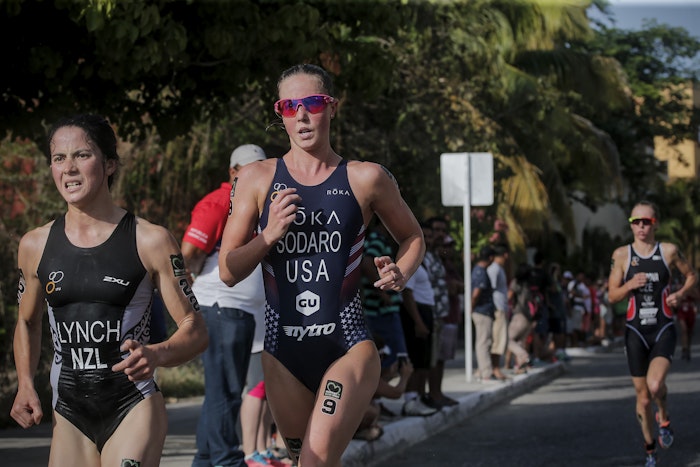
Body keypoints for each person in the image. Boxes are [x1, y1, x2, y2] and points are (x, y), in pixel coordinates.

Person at [217, 64, 425, 466]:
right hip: (282, 353)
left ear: (332, 107)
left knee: (314, 459)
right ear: (280, 114)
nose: (301, 115)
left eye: (312, 103)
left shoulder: (366, 178)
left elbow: (413, 237)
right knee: (306, 463)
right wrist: (269, 235)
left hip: (347, 346)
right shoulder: (256, 178)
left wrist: (402, 271)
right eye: (289, 106)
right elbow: (228, 270)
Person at [10, 114, 209, 466]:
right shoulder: (34, 245)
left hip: (133, 405)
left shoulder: (150, 240)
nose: (69, 168)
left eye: (82, 155)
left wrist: (156, 354)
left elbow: (196, 329)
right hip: (70, 413)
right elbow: (27, 322)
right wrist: (25, 383)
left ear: (110, 164)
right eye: (59, 158)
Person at [181, 144, 268, 467]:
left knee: (224, 390)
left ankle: (205, 459)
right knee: (226, 390)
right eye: (248, 168)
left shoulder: (257, 203)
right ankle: (226, 459)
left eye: (261, 168)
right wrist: (188, 290)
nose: (256, 174)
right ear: (233, 172)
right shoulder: (220, 201)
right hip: (220, 306)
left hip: (239, 311)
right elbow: (188, 252)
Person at [608, 201, 697, 466]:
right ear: (631, 225)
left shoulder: (668, 251)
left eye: (646, 221)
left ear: (655, 224)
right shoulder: (622, 255)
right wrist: (629, 285)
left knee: (655, 385)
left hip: (662, 327)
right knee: (643, 398)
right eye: (635, 221)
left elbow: (692, 276)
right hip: (636, 331)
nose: (641, 226)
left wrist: (680, 294)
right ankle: (650, 451)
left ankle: (664, 417)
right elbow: (612, 295)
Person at [471, 245, 499, 382]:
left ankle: (481, 371)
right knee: (484, 342)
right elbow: (476, 293)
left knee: (483, 341)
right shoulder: (481, 272)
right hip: (482, 311)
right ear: (491, 257)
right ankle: (486, 373)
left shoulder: (477, 269)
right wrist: (471, 307)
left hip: (482, 310)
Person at [507, 262, 535, 373]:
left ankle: (524, 356)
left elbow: (509, 296)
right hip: (529, 316)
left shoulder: (516, 282)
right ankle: (520, 366)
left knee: (507, 339)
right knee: (520, 342)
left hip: (519, 315)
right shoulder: (529, 285)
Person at [486, 243, 509, 380]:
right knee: (497, 340)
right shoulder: (494, 269)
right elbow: (490, 289)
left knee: (500, 340)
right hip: (496, 308)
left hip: (501, 308)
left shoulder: (499, 269)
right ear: (505, 255)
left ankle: (495, 367)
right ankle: (494, 368)